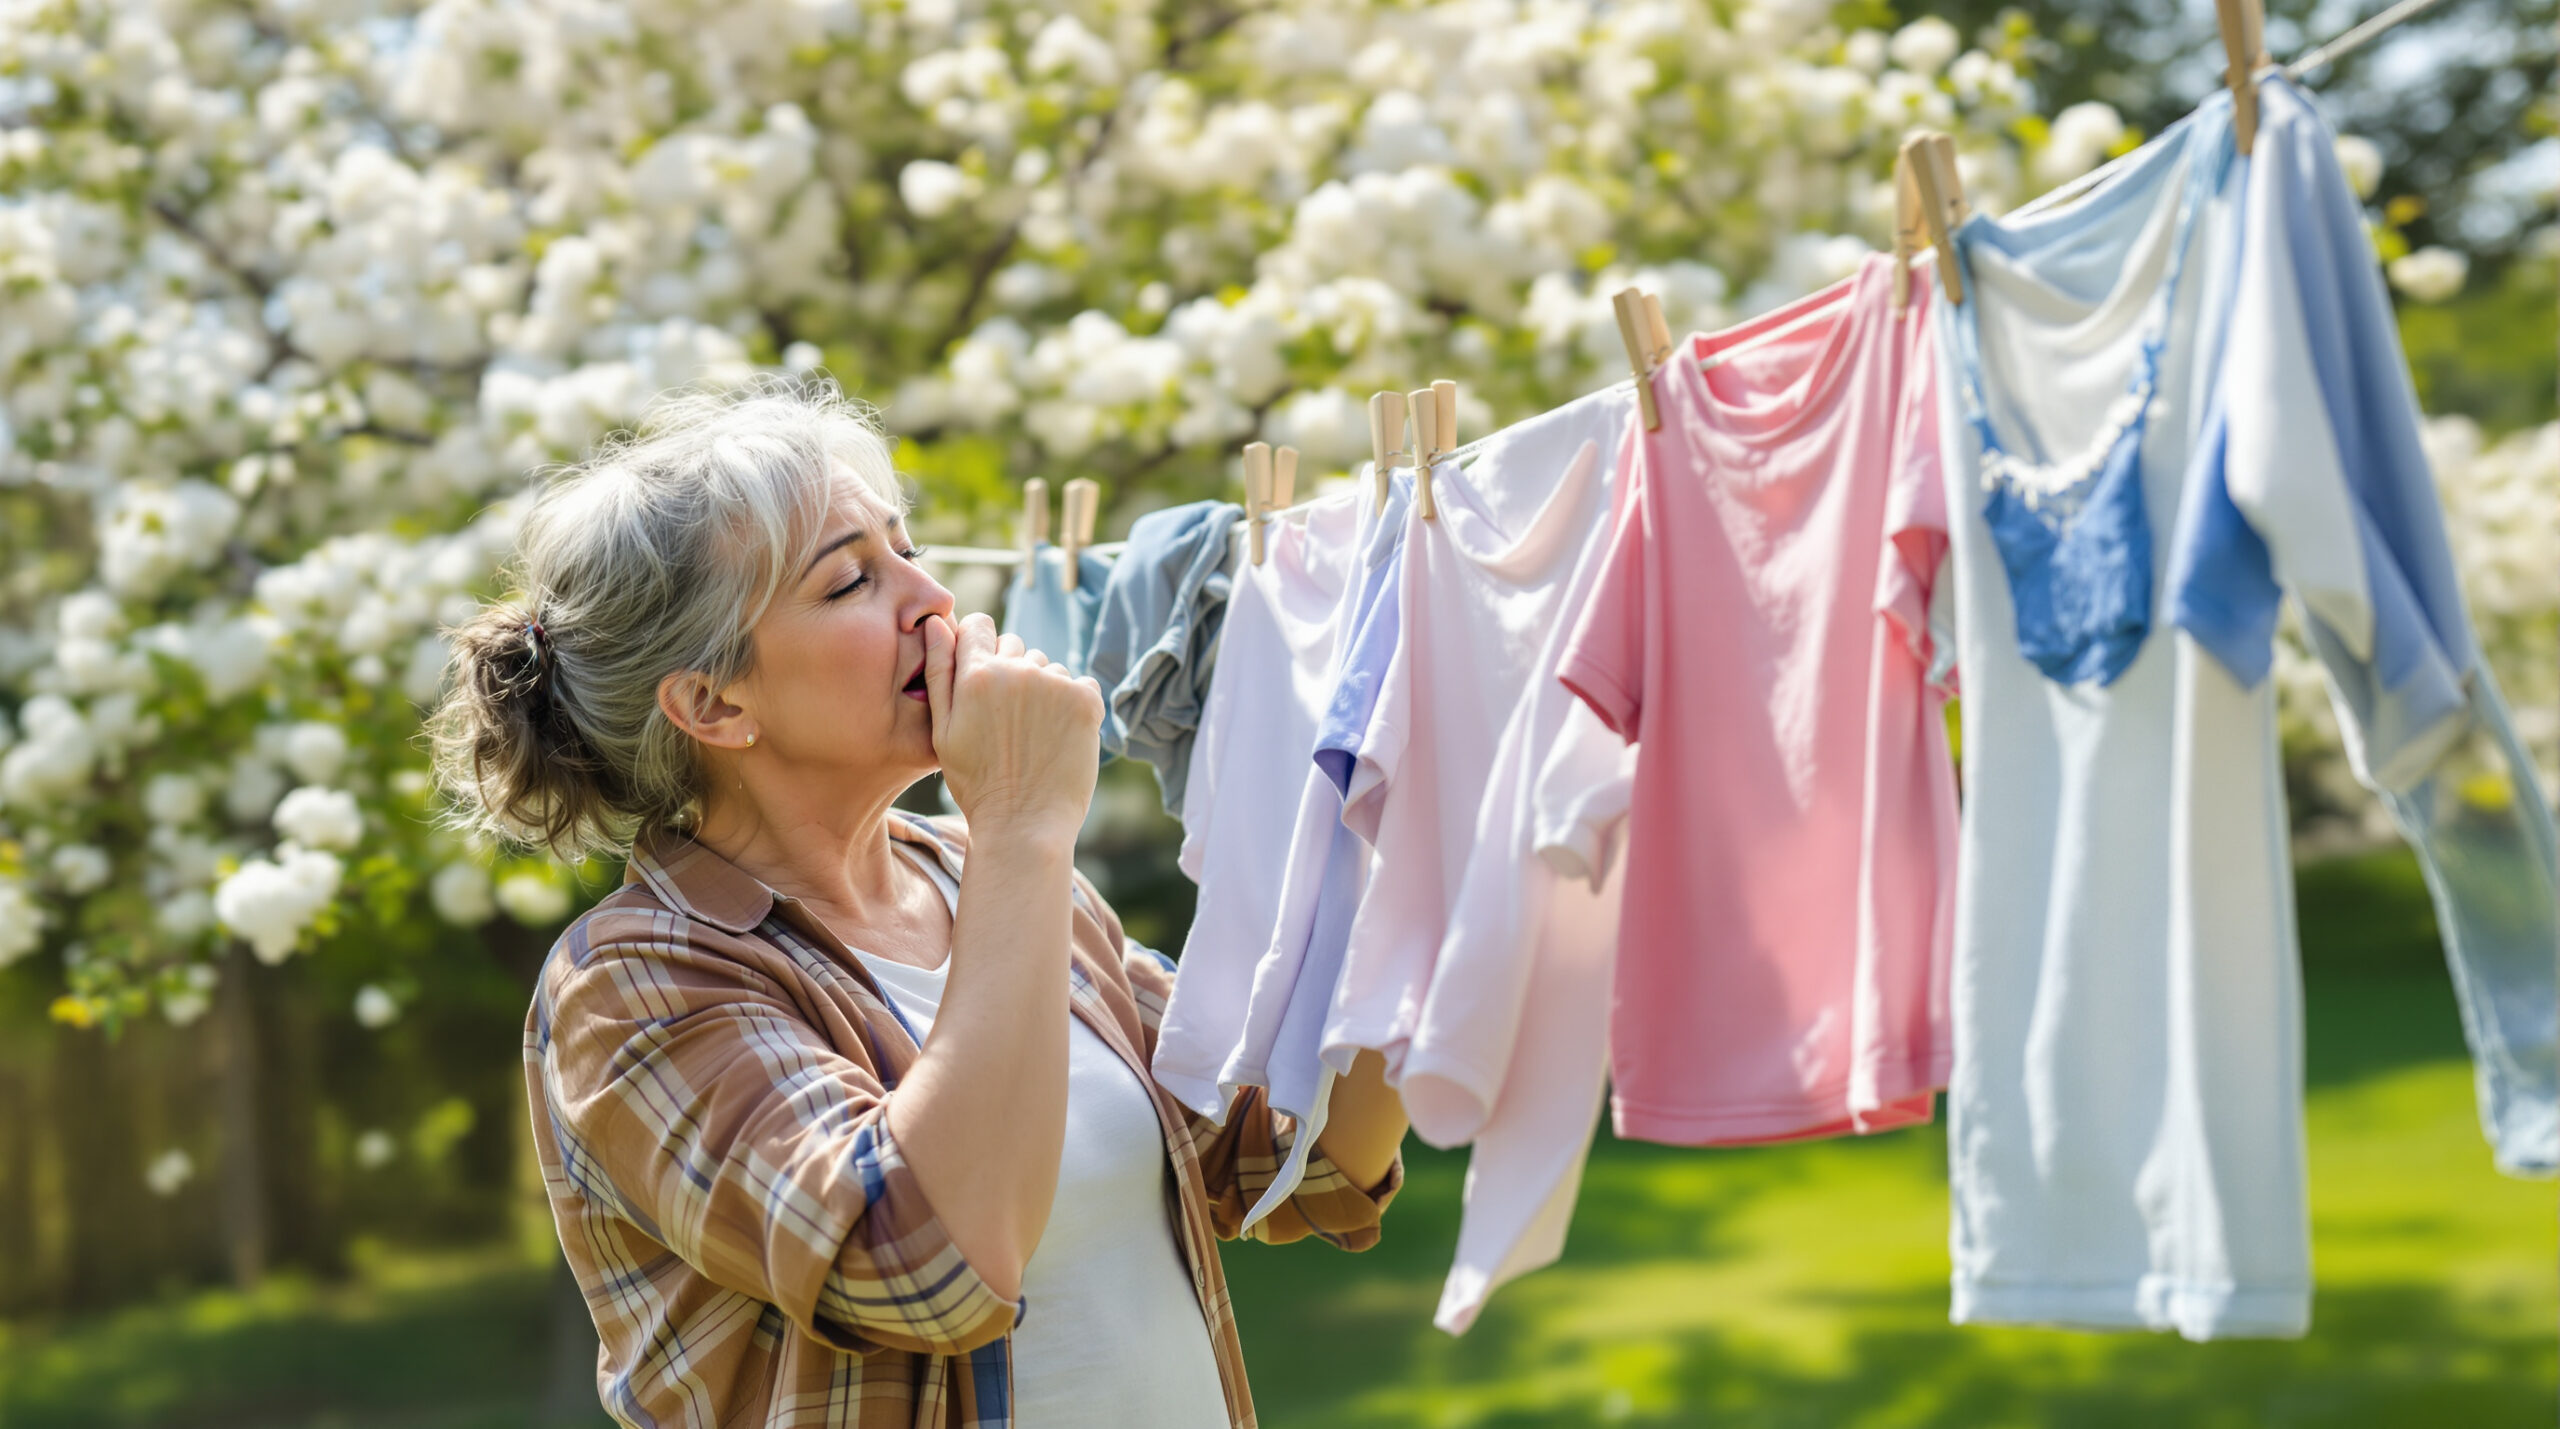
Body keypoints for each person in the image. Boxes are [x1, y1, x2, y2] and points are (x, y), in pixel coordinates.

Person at [428, 374, 1407, 1428]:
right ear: (713, 703)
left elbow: (1286, 1154)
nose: (932, 601)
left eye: (909, 551)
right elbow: (929, 1261)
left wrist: (1421, 843)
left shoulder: (977, 876)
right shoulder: (632, 984)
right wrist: (1025, 829)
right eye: (850, 582)